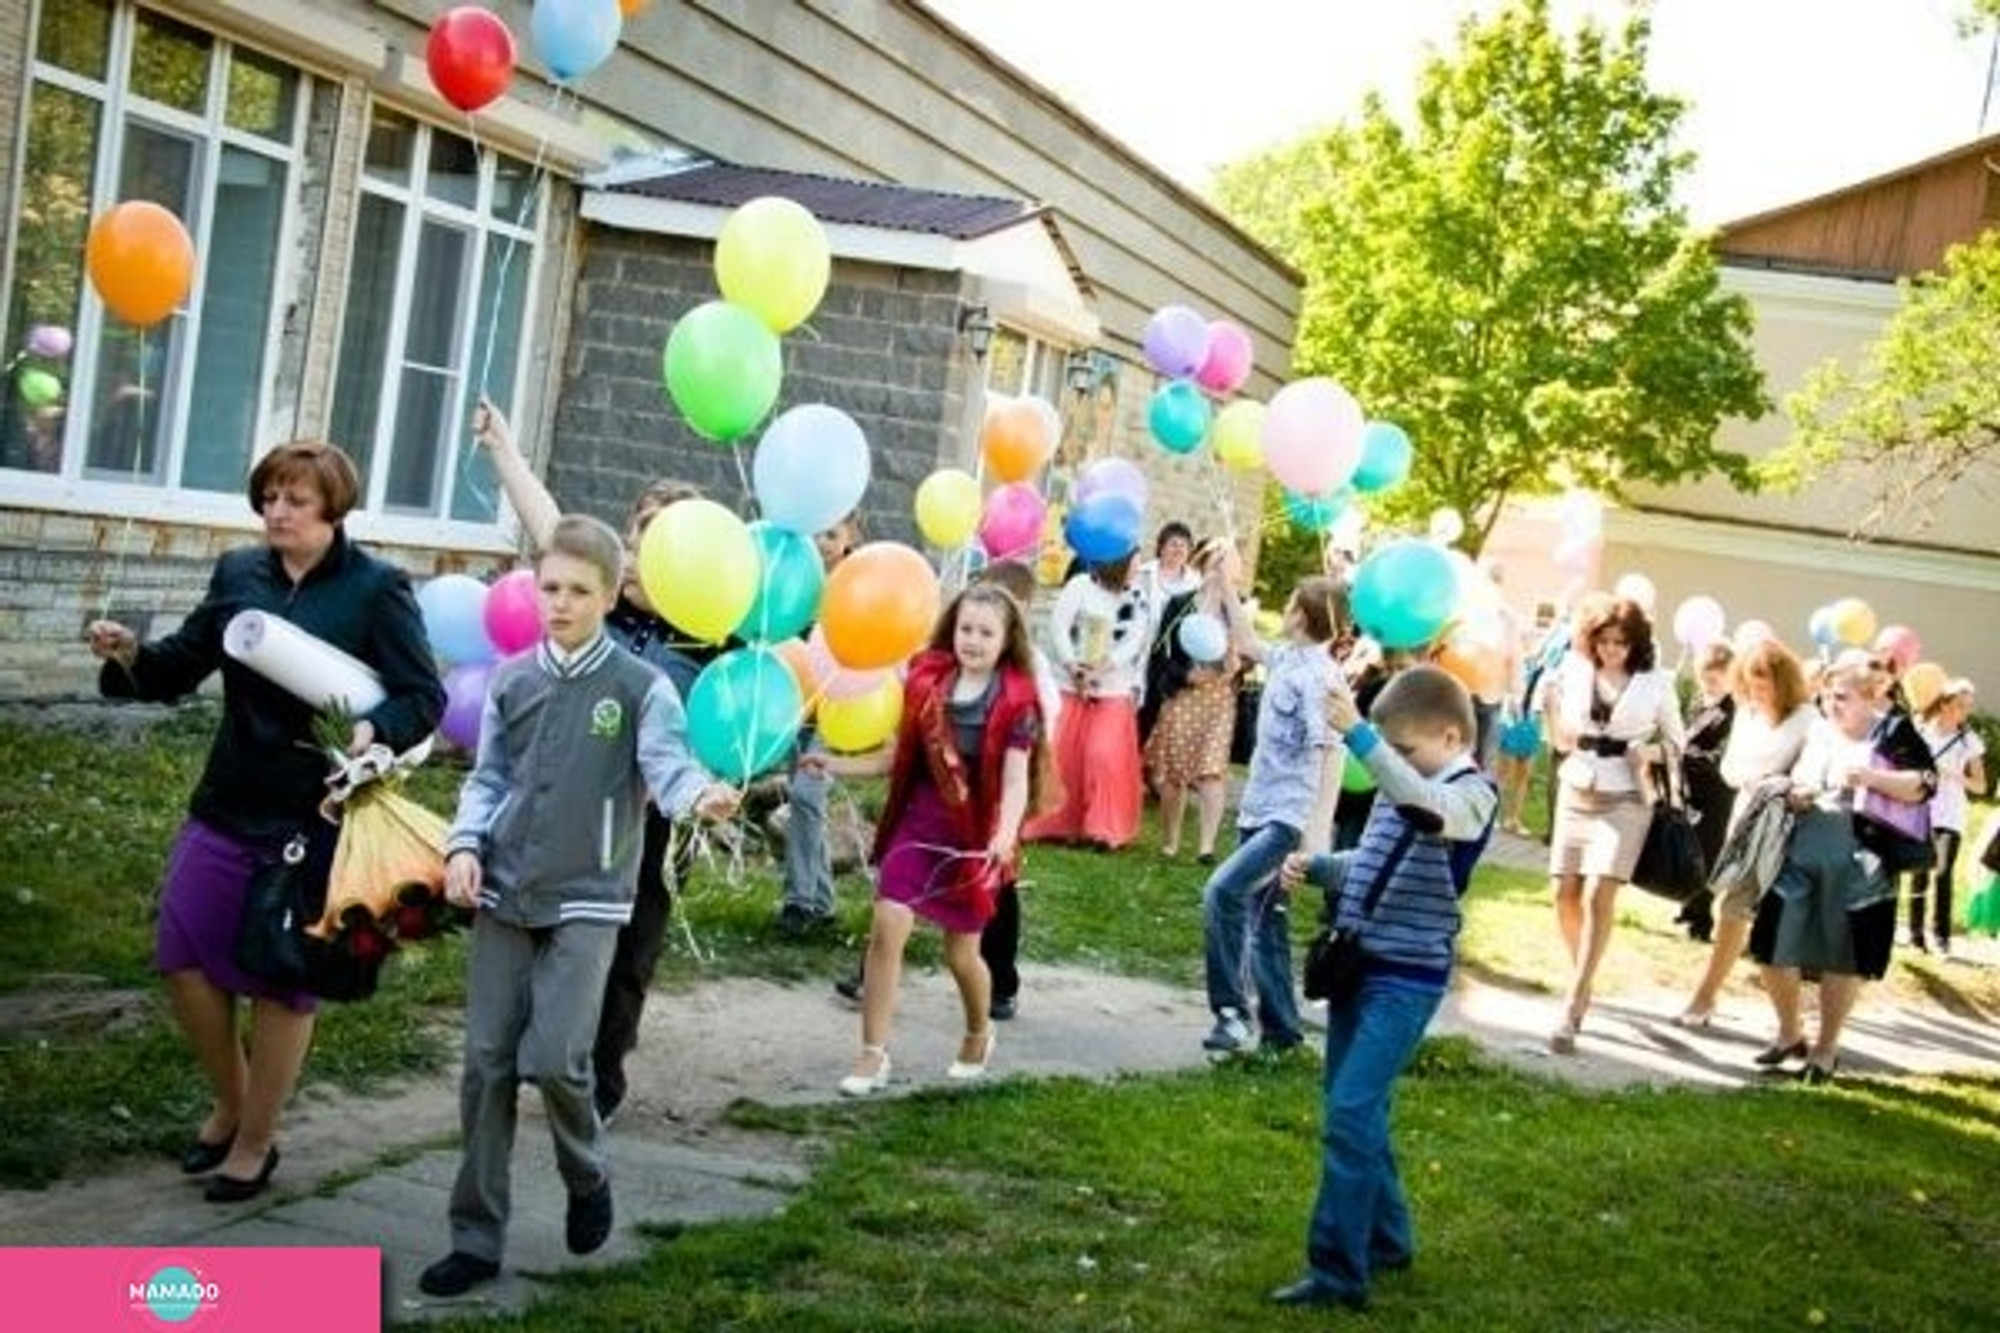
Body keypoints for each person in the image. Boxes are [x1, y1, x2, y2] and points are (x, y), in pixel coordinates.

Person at [85, 440, 444, 1202]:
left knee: (283, 980)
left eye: (296, 500)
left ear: (333, 511)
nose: (277, 512)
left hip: (314, 809)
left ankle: (254, 1141)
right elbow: (180, 664)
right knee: (181, 953)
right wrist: (128, 656)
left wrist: (373, 729)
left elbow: (423, 696)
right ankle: (232, 1098)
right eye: (270, 497)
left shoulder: (376, 588)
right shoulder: (239, 573)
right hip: (230, 794)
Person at [418, 515, 740, 1298]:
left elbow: (666, 766)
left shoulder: (638, 686)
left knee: (559, 1059)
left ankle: (586, 1172)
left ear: (609, 594)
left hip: (589, 898)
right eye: (549, 587)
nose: (559, 604)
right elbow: (487, 778)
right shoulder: (514, 679)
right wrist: (464, 845)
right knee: (486, 1064)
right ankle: (476, 1235)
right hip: (503, 889)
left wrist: (701, 796)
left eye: (578, 591)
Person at [471, 398, 715, 1124]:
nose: (644, 549)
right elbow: (551, 527)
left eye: (665, 537)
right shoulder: (598, 596)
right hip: (561, 796)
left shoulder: (712, 628)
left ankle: (597, 1071)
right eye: (640, 531)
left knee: (628, 946)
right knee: (539, 924)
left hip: (650, 815)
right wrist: (506, 452)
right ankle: (534, 1047)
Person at [1270, 666, 1497, 1311]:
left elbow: (1431, 818)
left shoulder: (1470, 794)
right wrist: (1319, 868)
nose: (1393, 765)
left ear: (1452, 737)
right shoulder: (1404, 785)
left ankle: (1339, 1274)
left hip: (1406, 981)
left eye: (1406, 753)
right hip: (1359, 965)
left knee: (1348, 1111)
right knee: (1358, 1107)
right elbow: (1372, 861)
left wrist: (1364, 739)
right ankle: (1390, 1240)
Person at [812, 584, 1051, 1097]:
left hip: (974, 836)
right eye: (966, 628)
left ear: (1007, 639)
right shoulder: (926, 681)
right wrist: (835, 763)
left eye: (986, 632)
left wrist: (1005, 837)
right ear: (952, 628)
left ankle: (978, 1032)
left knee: (962, 953)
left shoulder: (1018, 701)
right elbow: (894, 759)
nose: (973, 639)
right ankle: (872, 1054)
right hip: (918, 825)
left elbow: (1015, 783)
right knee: (887, 923)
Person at [1748, 653, 1935, 1083]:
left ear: (1870, 697)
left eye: (1842, 696)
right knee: (1772, 942)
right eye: (1828, 695)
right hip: (1803, 845)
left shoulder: (1892, 731)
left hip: (1860, 858)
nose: (1832, 704)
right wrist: (1795, 793)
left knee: (1843, 954)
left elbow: (1925, 785)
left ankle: (1826, 1049)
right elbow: (1797, 777)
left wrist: (1871, 777)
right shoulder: (1817, 730)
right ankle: (1789, 1033)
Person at [1198, 576, 1349, 1055]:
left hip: (1287, 819)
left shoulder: (1319, 678)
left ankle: (1232, 1014)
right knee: (1266, 921)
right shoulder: (1288, 659)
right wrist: (1222, 587)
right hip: (1259, 808)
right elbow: (1245, 641)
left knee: (1222, 892)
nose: (1283, 609)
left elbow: (1330, 754)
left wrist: (1314, 834)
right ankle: (1283, 1033)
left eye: (1288, 602)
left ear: (1302, 614)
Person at [1544, 595, 1684, 1054]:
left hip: (1628, 794)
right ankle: (1582, 973)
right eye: (1603, 641)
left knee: (1598, 892)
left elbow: (1678, 743)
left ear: (1635, 643)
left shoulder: (1657, 683)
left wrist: (1650, 751)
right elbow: (1563, 739)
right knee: (1563, 893)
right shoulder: (1575, 671)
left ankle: (1576, 998)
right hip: (1578, 784)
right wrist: (1549, 708)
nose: (1611, 650)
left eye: (1620, 643)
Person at [1673, 638, 1816, 1028]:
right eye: (1751, 685)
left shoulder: (1806, 719)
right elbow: (1731, 771)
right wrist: (1765, 777)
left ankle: (1795, 1021)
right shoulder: (1746, 714)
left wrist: (1772, 780)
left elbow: (1807, 775)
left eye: (1764, 683)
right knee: (1731, 911)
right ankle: (1705, 997)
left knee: (1777, 925)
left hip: (1788, 829)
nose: (1757, 692)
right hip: (1747, 821)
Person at [1024, 551, 1148, 851]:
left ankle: (1104, 829)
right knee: (1059, 752)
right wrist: (1072, 665)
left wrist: (1103, 667)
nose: (1139, 567)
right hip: (1071, 683)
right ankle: (1053, 821)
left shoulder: (1137, 597)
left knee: (1101, 753)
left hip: (1112, 688)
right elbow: (1059, 627)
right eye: (1135, 561)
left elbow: (1135, 639)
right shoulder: (1080, 585)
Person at [776, 513, 862, 936]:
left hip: (838, 705)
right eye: (816, 532)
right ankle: (824, 901)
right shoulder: (797, 577)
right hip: (796, 700)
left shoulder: (857, 583)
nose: (823, 542)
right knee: (806, 802)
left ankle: (799, 900)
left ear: (850, 537)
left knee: (806, 793)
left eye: (832, 534)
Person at [1146, 538, 1250, 863]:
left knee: (1211, 770)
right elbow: (1160, 653)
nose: (1220, 567)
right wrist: (1184, 677)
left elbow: (1248, 653)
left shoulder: (1237, 608)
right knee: (1173, 773)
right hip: (1184, 694)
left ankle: (1206, 847)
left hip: (1219, 698)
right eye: (1216, 559)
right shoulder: (1181, 604)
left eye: (1227, 561)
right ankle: (1171, 841)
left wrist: (1236, 665)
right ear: (1203, 563)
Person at [1911, 677, 1986, 957]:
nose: (1963, 713)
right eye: (1958, 706)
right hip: (1920, 808)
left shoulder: (1969, 740)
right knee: (1919, 871)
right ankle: (1916, 934)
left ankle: (1942, 936)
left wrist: (1953, 774)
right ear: (1943, 705)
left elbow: (1981, 786)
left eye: (1967, 707)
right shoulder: (1921, 731)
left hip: (1951, 813)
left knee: (1942, 872)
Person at [1674, 640, 1739, 942]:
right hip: (1692, 787)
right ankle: (1689, 905)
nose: (1707, 685)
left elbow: (1725, 754)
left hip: (1718, 792)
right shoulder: (1700, 702)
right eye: (1703, 678)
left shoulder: (1734, 711)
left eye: (1714, 679)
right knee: (1689, 849)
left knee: (1708, 853)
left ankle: (1701, 917)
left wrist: (1689, 755)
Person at [1135, 521, 1199, 746]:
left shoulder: (1196, 583)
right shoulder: (1142, 574)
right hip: (1140, 651)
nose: (1178, 550)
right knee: (1134, 709)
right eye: (1173, 544)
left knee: (1154, 712)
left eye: (1184, 546)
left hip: (1170, 659)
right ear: (1161, 546)